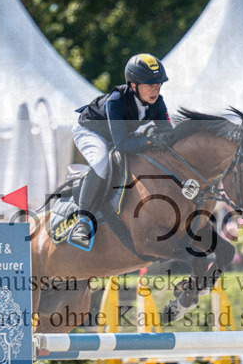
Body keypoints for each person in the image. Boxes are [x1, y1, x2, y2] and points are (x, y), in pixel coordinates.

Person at [69, 53, 173, 249]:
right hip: (90, 130)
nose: (156, 89)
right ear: (133, 85)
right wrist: (150, 139)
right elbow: (123, 145)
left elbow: (169, 134)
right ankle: (82, 222)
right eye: (150, 84)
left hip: (117, 135)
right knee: (102, 162)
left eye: (158, 84)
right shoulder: (116, 101)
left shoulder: (158, 102)